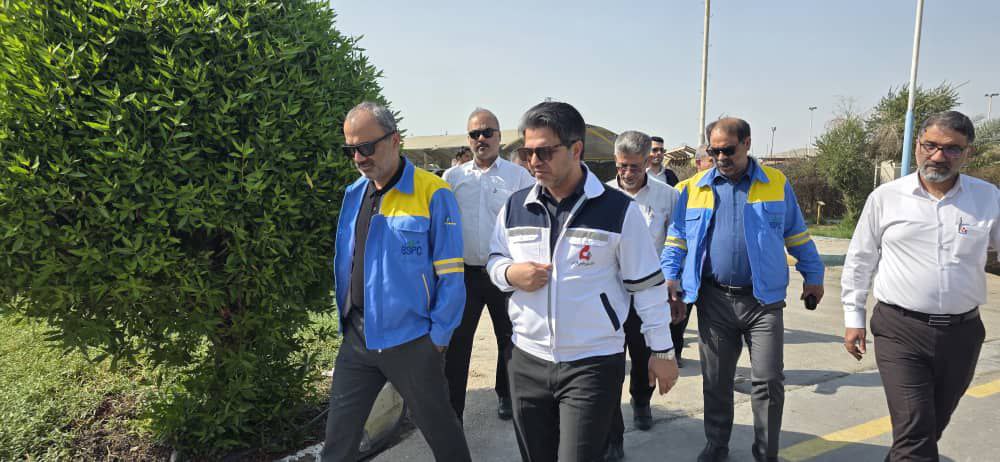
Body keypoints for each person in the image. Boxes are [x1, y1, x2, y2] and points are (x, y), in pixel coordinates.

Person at [488, 101, 679, 461]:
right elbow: (495, 259)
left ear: (576, 150)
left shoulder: (618, 210)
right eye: (528, 152)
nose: (533, 161)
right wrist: (510, 274)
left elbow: (647, 285)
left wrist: (662, 351)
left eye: (544, 151)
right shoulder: (515, 207)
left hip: (592, 363)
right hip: (527, 359)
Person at [661, 118, 824, 462]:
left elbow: (796, 234)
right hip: (714, 301)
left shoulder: (775, 183)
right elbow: (677, 239)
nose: (721, 157)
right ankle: (717, 445)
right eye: (714, 151)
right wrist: (670, 276)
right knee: (716, 381)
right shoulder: (693, 188)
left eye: (728, 150)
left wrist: (813, 274)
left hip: (763, 302)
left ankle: (766, 452)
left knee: (768, 381)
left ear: (747, 144)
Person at [841, 111, 998, 462]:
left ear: (968, 153)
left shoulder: (987, 199)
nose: (938, 156)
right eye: (930, 145)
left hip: (963, 334)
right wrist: (854, 317)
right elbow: (860, 259)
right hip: (900, 330)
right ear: (917, 145)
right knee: (915, 431)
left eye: (952, 149)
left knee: (928, 429)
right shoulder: (886, 197)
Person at [323, 102, 471, 462]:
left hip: (412, 341)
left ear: (394, 140)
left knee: (442, 432)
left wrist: (437, 340)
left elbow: (452, 276)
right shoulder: (354, 194)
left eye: (366, 147)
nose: (358, 158)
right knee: (338, 440)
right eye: (350, 149)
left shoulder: (433, 192)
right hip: (358, 337)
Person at [443, 108, 535, 421]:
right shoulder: (453, 178)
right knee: (457, 344)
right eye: (475, 134)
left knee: (509, 339)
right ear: (468, 139)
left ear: (499, 136)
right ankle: (453, 411)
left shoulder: (518, 177)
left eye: (487, 132)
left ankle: (505, 394)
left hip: (504, 274)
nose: (481, 138)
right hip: (464, 276)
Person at [603, 130, 680, 461]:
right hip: (610, 295)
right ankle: (612, 435)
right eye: (622, 166)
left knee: (644, 353)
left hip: (649, 294)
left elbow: (676, 241)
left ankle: (641, 400)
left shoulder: (667, 197)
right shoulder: (602, 194)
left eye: (634, 166)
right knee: (609, 364)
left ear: (648, 161)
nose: (627, 173)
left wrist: (674, 285)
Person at [668, 144, 714, 368]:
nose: (717, 165)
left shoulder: (726, 190)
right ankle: (673, 353)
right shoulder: (683, 189)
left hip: (713, 274)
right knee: (678, 317)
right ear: (698, 163)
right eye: (711, 161)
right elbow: (674, 233)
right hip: (686, 270)